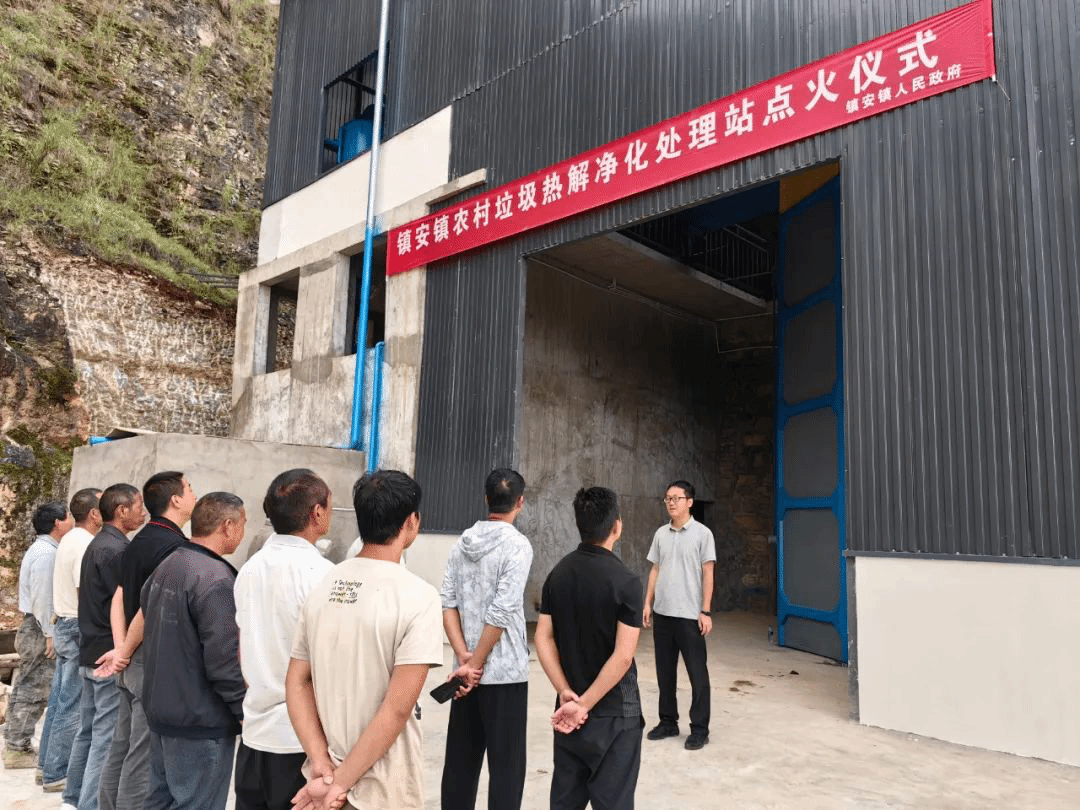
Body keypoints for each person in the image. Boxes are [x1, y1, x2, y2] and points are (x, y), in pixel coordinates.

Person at [286, 470, 443, 810]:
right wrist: (340, 783)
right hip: (382, 792)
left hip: (325, 782)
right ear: (412, 521)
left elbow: (296, 681)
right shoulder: (419, 597)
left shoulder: (324, 584)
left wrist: (321, 763)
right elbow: (397, 709)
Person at [535, 486, 644, 810]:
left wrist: (565, 692)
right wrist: (585, 704)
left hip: (568, 712)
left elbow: (543, 637)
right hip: (614, 714)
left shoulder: (558, 574)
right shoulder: (627, 581)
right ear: (616, 526)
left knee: (565, 802)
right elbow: (623, 656)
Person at [234, 470, 334, 810]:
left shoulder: (250, 569)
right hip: (299, 741)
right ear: (317, 513)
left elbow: (242, 647)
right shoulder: (322, 575)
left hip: (254, 733)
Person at [140, 493, 247, 810]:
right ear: (228, 526)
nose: (242, 532)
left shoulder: (169, 564)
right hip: (200, 723)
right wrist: (244, 711)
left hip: (163, 713)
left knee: (160, 802)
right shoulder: (215, 579)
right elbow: (224, 662)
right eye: (243, 524)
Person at [97, 471, 197, 810]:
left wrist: (120, 648)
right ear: (176, 500)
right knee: (141, 757)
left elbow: (119, 596)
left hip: (131, 658)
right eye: (190, 488)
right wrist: (125, 651)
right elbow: (147, 606)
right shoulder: (174, 547)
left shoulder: (139, 541)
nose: (194, 494)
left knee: (121, 747)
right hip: (147, 660)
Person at [439, 468, 533, 810]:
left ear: (486, 499)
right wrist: (475, 664)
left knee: (460, 765)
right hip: (504, 674)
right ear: (520, 502)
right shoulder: (518, 546)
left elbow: (448, 603)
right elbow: (502, 611)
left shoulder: (462, 543)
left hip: (464, 675)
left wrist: (463, 657)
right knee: (507, 769)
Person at [61, 484, 145, 810]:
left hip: (91, 649)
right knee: (104, 739)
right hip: (106, 654)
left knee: (88, 731)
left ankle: (72, 798)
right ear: (122, 511)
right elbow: (122, 606)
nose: (142, 512)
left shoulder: (100, 543)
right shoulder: (116, 550)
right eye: (138, 506)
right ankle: (87, 804)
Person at [642, 480, 716, 751]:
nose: (671, 502)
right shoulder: (660, 534)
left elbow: (708, 573)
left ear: (690, 502)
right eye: (667, 498)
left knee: (697, 674)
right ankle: (668, 722)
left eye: (676, 498)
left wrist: (705, 610)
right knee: (665, 673)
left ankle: (700, 729)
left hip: (689, 616)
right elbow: (655, 569)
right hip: (663, 613)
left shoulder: (703, 534)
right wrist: (647, 603)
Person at [39, 489, 102, 792]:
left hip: (65, 624)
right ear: (94, 513)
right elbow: (84, 590)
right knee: (72, 704)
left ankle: (46, 766)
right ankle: (56, 773)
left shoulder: (69, 540)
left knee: (59, 700)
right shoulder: (84, 543)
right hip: (77, 626)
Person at [3, 501, 72, 770]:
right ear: (58, 523)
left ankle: (15, 743)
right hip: (39, 627)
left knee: (27, 685)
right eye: (68, 517)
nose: (71, 521)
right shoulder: (46, 554)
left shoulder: (44, 549)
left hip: (35, 626)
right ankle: (17, 749)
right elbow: (43, 598)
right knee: (34, 688)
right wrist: (50, 634)